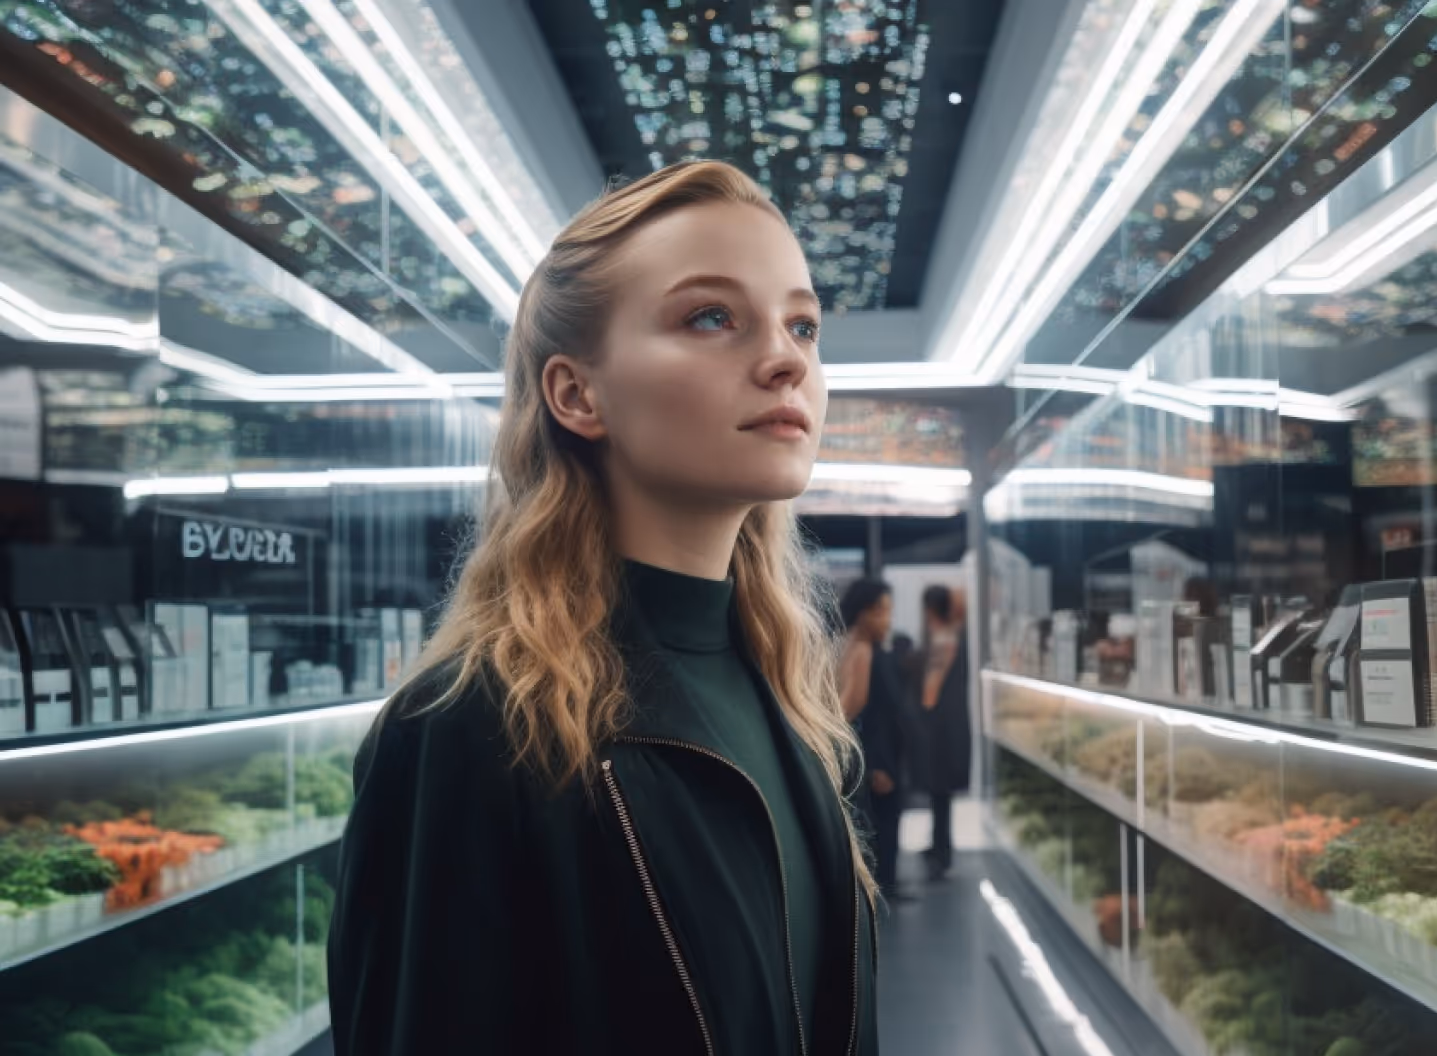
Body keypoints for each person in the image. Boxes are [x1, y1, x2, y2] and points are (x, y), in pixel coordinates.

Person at [328, 161, 878, 1056]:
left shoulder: (786, 698)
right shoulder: (470, 729)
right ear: (577, 394)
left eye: (803, 324)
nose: (787, 359)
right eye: (712, 317)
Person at [838, 578, 905, 898]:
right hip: (872, 756)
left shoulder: (850, 642)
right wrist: (876, 763)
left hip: (870, 754)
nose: (886, 619)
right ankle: (881, 888)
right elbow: (850, 708)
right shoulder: (862, 649)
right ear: (863, 613)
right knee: (880, 825)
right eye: (880, 611)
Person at [918, 584, 970, 881]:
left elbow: (930, 691)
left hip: (940, 728)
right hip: (948, 725)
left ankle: (942, 853)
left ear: (929, 609)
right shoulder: (951, 634)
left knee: (940, 790)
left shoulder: (943, 638)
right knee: (940, 794)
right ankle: (938, 846)